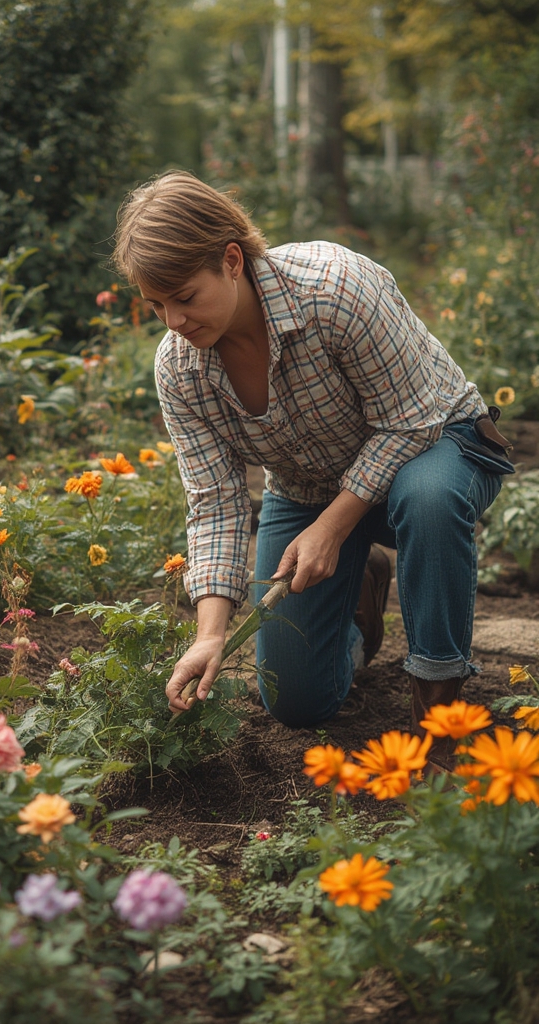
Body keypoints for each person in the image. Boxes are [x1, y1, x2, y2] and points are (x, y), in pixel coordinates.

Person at [112, 171, 514, 769]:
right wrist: (210, 635)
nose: (173, 321)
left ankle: (438, 719)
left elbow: (411, 422)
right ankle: (362, 588)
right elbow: (216, 502)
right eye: (156, 305)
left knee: (426, 498)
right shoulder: (180, 369)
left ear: (230, 261)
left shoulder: (335, 290)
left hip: (437, 445)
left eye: (185, 297)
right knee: (296, 701)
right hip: (310, 488)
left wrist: (331, 528)